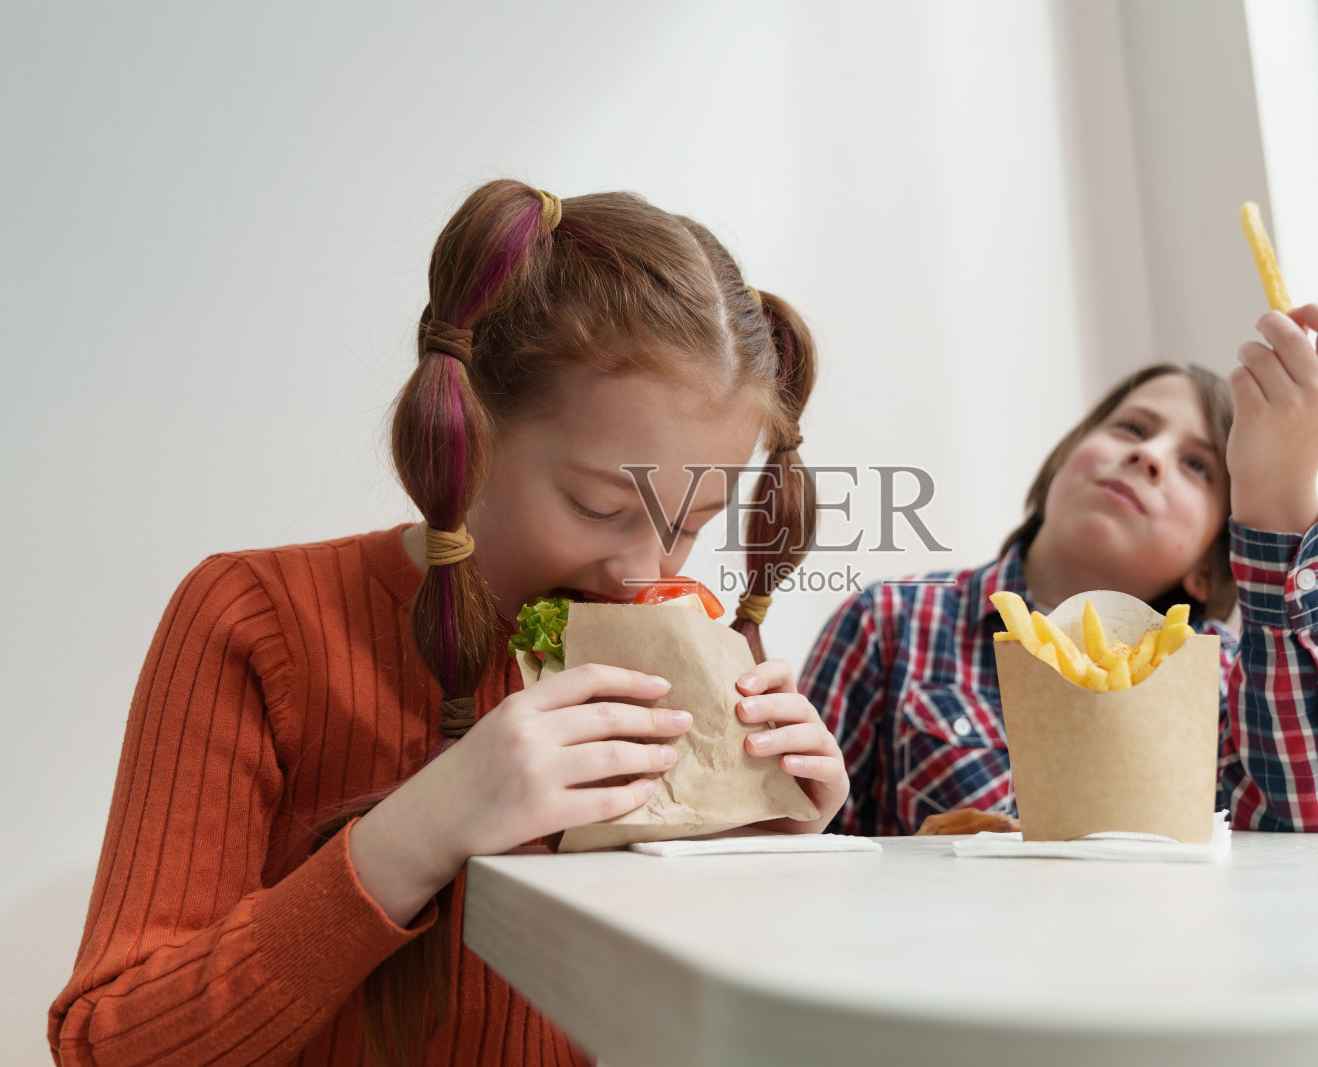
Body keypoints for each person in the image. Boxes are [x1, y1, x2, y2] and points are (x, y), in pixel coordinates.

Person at [49, 180, 849, 1066]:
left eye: (692, 523)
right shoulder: (256, 618)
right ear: (468, 431)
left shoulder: (683, 653)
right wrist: (417, 830)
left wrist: (759, 849)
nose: (645, 571)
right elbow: (109, 1044)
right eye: (597, 505)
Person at [801, 306, 1318, 837]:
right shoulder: (891, 621)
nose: (1148, 456)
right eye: (1132, 428)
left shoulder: (1223, 676)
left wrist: (1279, 501)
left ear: (1208, 572)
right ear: (1064, 460)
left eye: (1197, 466)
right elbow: (799, 851)